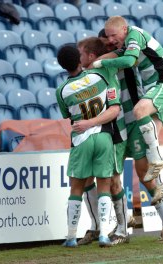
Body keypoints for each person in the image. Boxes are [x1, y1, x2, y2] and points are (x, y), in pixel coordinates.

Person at [75, 36, 163, 245]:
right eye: (108, 43)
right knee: (112, 180)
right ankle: (122, 228)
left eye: (114, 42)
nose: (114, 45)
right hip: (115, 127)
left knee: (145, 175)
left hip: (134, 121)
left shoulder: (125, 56)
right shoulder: (97, 69)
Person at [93, 16, 163, 182]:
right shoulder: (125, 43)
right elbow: (113, 55)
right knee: (148, 139)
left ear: (124, 29)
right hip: (152, 89)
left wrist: (101, 64)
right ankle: (159, 184)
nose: (111, 40)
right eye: (108, 36)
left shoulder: (134, 35)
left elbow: (128, 60)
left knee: (139, 110)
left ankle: (157, 161)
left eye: (113, 35)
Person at [55, 45, 121, 248]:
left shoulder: (62, 91)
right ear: (79, 60)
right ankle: (103, 234)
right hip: (103, 136)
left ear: (62, 65)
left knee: (76, 188)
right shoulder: (99, 78)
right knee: (104, 186)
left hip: (81, 139)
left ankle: (71, 236)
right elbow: (114, 107)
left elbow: (68, 116)